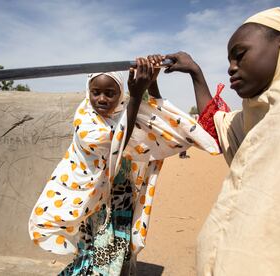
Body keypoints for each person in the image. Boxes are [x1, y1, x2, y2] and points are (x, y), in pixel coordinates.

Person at [164, 7, 280, 276]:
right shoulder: (264, 115)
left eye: (240, 54)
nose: (231, 67)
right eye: (229, 60)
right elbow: (217, 125)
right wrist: (195, 72)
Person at [28, 57, 219, 275]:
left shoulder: (125, 112)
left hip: (122, 201)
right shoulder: (86, 121)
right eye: (95, 92)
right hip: (96, 205)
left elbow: (159, 121)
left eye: (110, 93)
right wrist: (137, 95)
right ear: (87, 91)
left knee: (119, 253)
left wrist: (152, 83)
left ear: (120, 94)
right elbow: (117, 141)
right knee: (99, 256)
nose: (101, 99)